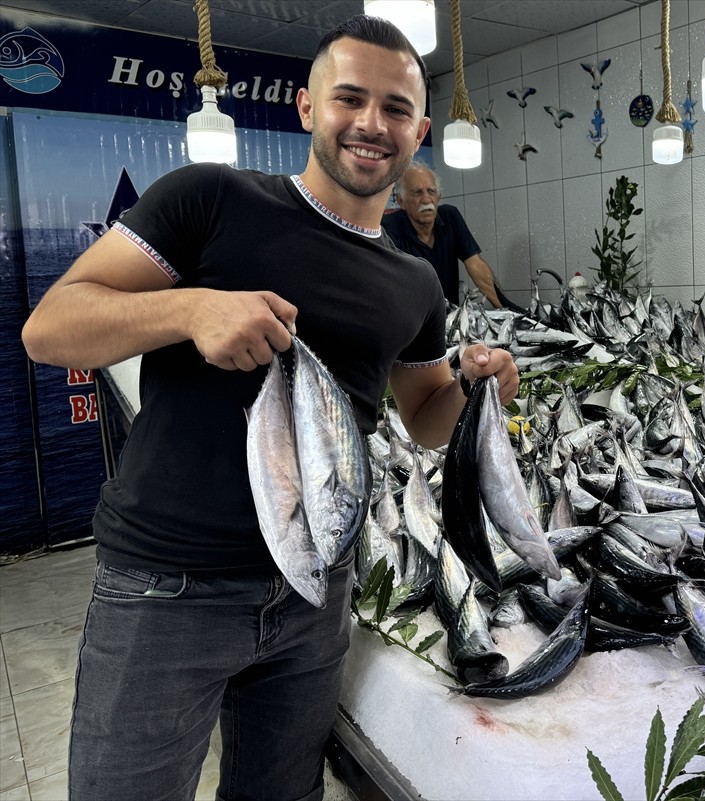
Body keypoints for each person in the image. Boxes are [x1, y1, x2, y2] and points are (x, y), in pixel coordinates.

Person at [21, 15, 517, 801]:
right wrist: (190, 312)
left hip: (315, 587)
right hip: (166, 587)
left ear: (420, 130)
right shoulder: (212, 198)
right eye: (349, 98)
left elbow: (425, 413)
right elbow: (50, 327)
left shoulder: (412, 282)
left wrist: (477, 384)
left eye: (395, 109)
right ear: (305, 108)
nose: (370, 123)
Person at [383, 162, 522, 310]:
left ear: (439, 197)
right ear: (401, 201)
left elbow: (475, 265)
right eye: (417, 192)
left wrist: (505, 309)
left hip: (450, 319)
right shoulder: (389, 228)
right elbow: (388, 286)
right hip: (412, 322)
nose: (426, 200)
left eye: (431, 191)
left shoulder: (450, 217)